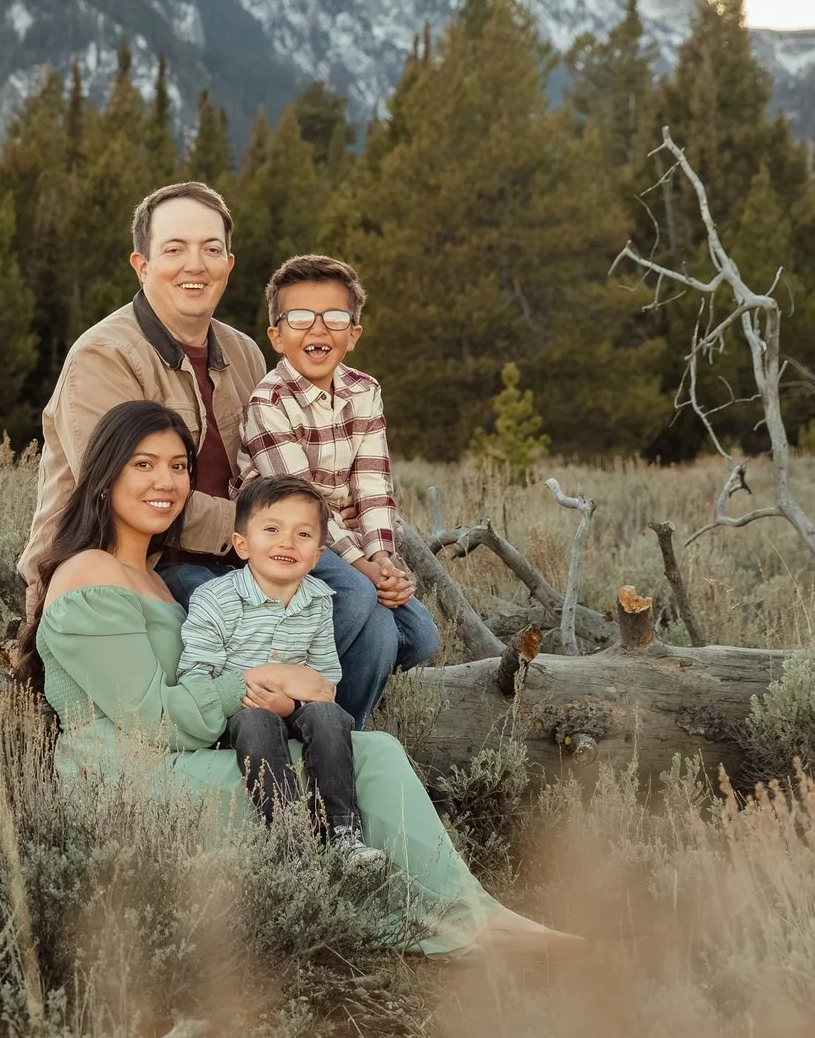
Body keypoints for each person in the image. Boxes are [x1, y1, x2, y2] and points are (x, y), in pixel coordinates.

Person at [32, 399, 564, 954]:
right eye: (142, 464)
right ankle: (443, 927)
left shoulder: (153, 580)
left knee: (371, 752)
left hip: (183, 761)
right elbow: (151, 720)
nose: (165, 480)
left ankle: (466, 915)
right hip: (130, 788)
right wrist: (262, 676)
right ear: (104, 474)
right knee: (359, 766)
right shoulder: (90, 572)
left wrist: (285, 702)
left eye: (178, 465)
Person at [16, 182, 263, 622]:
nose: (195, 265)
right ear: (142, 265)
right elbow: (129, 496)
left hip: (238, 556)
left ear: (228, 264)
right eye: (174, 249)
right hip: (133, 565)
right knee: (276, 624)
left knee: (402, 627)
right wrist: (259, 528)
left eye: (210, 249)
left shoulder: (245, 353)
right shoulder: (104, 357)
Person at [235, 254, 440, 724]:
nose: (318, 331)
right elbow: (304, 506)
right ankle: (281, 685)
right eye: (300, 318)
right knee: (356, 594)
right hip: (289, 537)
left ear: (354, 333)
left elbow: (373, 483)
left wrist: (383, 558)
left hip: (349, 544)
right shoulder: (268, 402)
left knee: (413, 636)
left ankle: (334, 730)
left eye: (335, 318)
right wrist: (363, 567)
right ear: (277, 335)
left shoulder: (364, 390)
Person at [178, 475, 385, 871]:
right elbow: (195, 677)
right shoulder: (215, 599)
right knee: (256, 721)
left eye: (302, 534)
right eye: (271, 529)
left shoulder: (319, 602)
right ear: (242, 544)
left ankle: (342, 834)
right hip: (233, 716)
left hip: (292, 710)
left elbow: (325, 685)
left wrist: (290, 705)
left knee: (330, 716)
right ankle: (289, 838)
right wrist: (255, 693)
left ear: (317, 554)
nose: (287, 542)